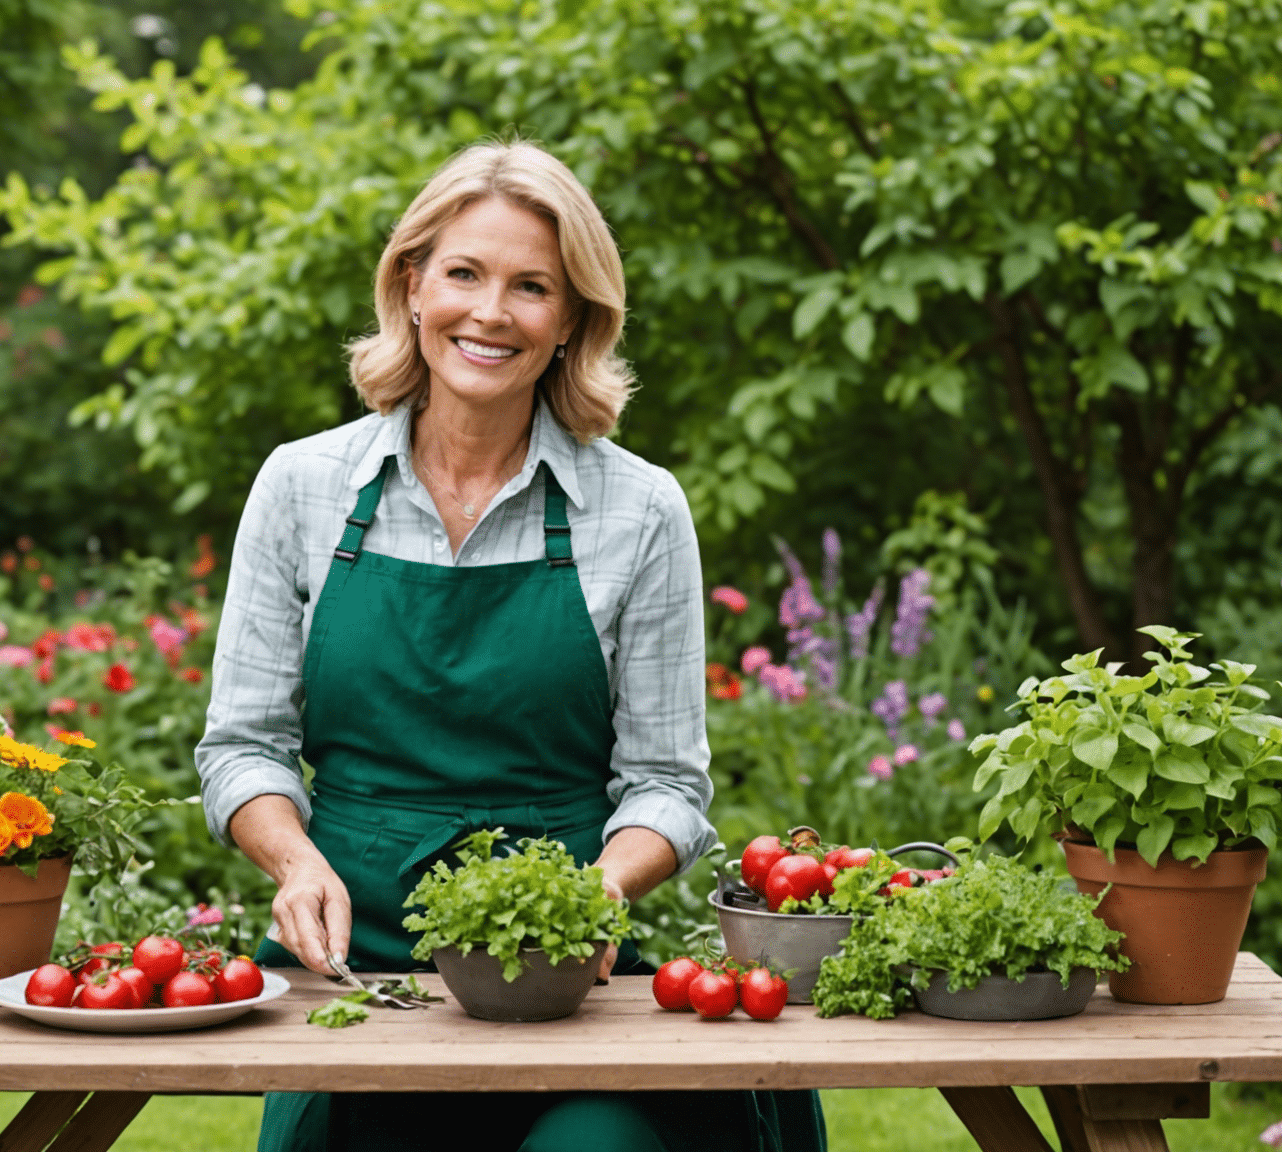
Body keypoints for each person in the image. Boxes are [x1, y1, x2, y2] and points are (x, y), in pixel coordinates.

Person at [195, 140, 824, 1152]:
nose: (491, 313)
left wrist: (590, 896)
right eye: (464, 274)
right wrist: (294, 861)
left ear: (572, 318)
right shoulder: (303, 487)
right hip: (362, 973)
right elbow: (244, 747)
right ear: (412, 283)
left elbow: (666, 782)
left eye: (532, 286)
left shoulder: (641, 507)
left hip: (569, 975)